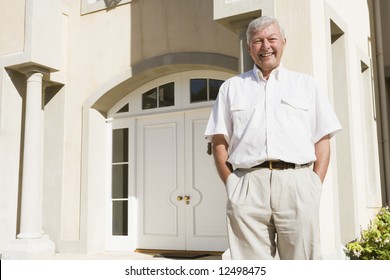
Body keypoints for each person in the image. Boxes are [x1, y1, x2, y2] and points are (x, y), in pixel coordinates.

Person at [205, 16, 342, 260]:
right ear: (249, 48)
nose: (265, 46)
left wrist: (314, 186)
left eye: (271, 39)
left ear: (284, 42)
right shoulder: (231, 87)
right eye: (257, 41)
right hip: (248, 185)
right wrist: (232, 185)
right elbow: (219, 141)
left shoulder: (306, 85)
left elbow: (322, 140)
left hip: (298, 184)